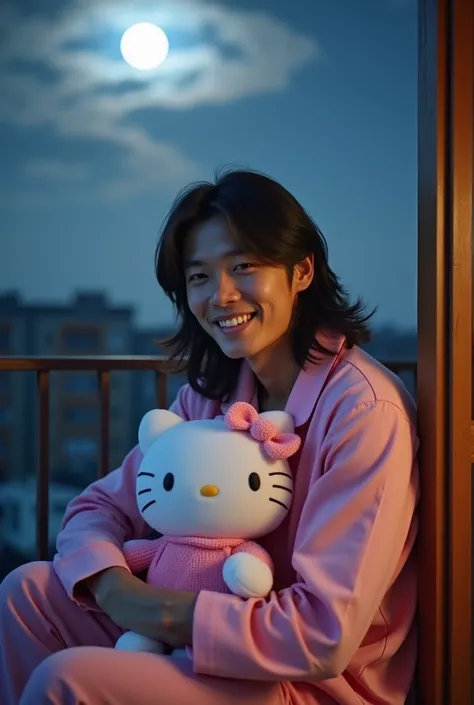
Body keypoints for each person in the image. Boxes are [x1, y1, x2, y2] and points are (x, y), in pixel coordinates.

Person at [0, 169, 419, 705]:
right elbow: (99, 506)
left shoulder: (364, 410)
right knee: (25, 594)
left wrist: (164, 612)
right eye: (199, 277)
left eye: (242, 266)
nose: (220, 295)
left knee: (67, 683)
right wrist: (113, 586)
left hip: (306, 684)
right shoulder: (212, 396)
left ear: (301, 271)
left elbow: (323, 635)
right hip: (196, 647)